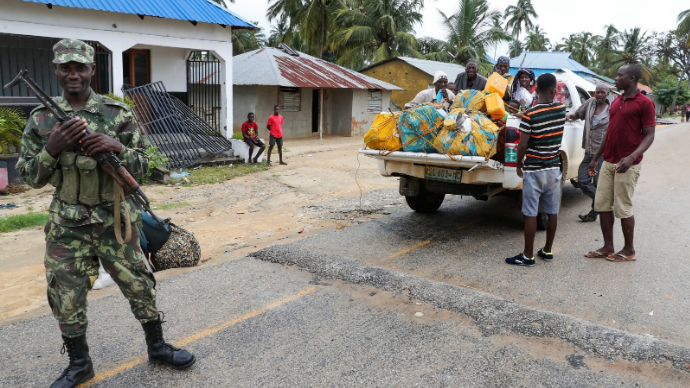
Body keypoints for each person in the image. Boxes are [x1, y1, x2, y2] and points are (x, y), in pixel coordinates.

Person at [15, 39, 195, 388]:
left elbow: (146, 168)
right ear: (56, 70)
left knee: (139, 285)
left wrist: (117, 147)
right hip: (67, 225)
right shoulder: (41, 119)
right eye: (65, 67)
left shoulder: (117, 114)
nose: (73, 74)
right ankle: (80, 364)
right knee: (65, 294)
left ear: (91, 70)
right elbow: (29, 177)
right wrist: (51, 149)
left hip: (115, 221)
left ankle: (157, 347)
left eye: (79, 67)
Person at [585, 64, 655, 262]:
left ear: (631, 78)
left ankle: (629, 249)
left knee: (623, 207)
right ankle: (608, 246)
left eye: (619, 75)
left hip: (628, 163)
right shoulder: (616, 101)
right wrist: (596, 157)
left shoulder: (644, 103)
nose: (615, 79)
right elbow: (610, 131)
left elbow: (649, 136)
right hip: (608, 161)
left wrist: (632, 157)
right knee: (603, 205)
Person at [506, 73, 566, 267]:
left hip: (534, 169)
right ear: (554, 90)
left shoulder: (530, 114)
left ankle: (528, 256)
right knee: (552, 212)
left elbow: (522, 145)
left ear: (535, 90)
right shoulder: (561, 108)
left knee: (530, 213)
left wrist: (518, 162)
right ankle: (547, 251)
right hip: (553, 169)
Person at [566, 84, 610, 222]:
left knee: (598, 184)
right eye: (597, 92)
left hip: (603, 154)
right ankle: (602, 202)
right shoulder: (590, 103)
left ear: (607, 94)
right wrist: (565, 116)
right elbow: (577, 115)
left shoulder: (612, 110)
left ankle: (593, 213)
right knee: (583, 180)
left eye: (602, 92)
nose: (600, 95)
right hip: (589, 151)